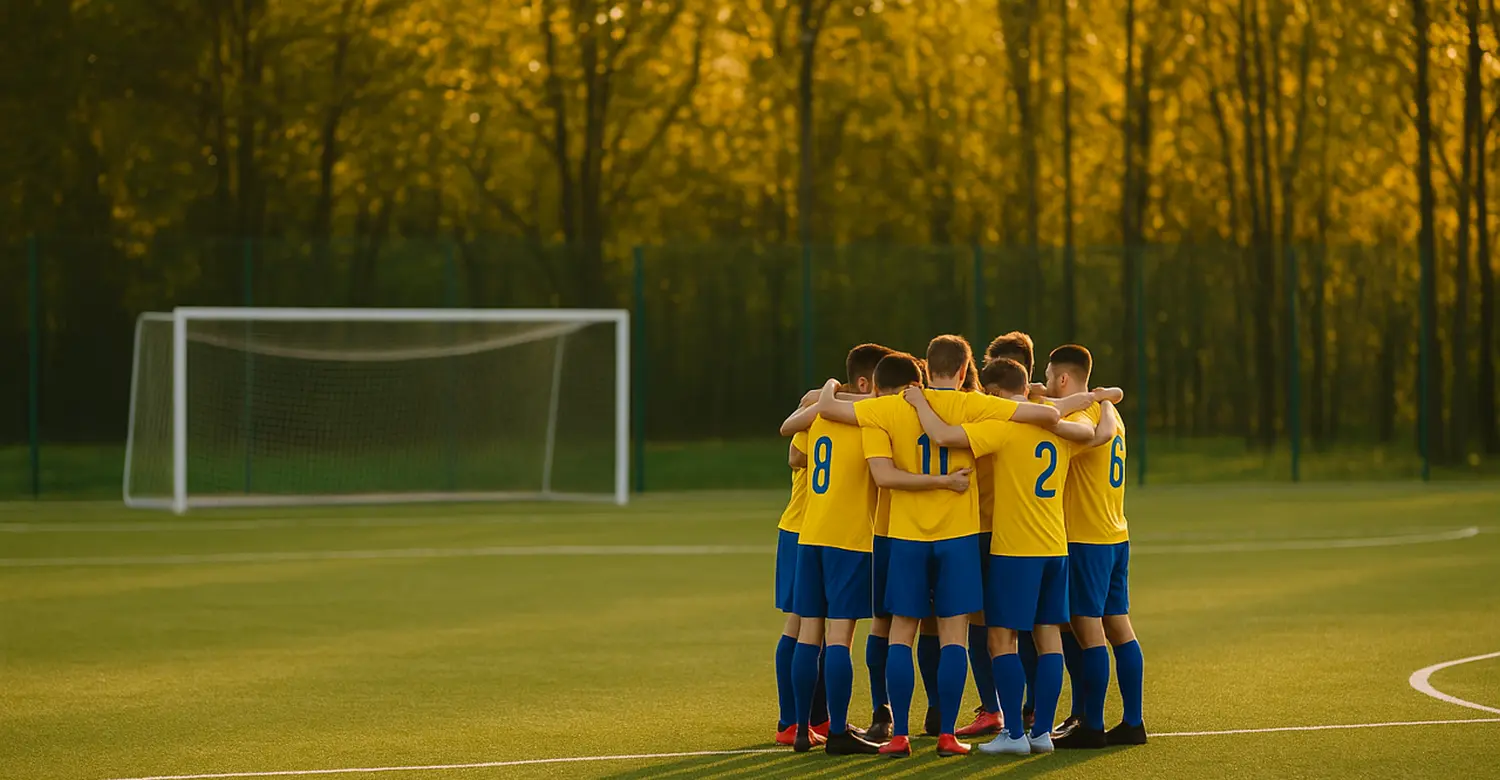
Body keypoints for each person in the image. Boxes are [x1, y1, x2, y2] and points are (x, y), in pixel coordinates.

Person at [818, 341, 1060, 757]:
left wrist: (827, 389)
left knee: (901, 634)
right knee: (954, 637)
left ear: (926, 367)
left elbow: (830, 411)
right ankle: (948, 734)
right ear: (966, 370)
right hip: (958, 538)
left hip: (907, 537)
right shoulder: (973, 406)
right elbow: (1042, 413)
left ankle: (899, 735)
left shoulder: (894, 406)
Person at [902, 357, 1116, 756]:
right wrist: (1105, 400)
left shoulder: (1003, 428)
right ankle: (1043, 734)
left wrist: (918, 403)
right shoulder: (1061, 426)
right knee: (1048, 635)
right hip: (1056, 547)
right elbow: (1100, 434)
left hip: (1016, 550)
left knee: (1001, 638)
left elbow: (944, 436)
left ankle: (1015, 734)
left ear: (998, 394)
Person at [1040, 345, 1147, 749]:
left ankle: (1093, 724)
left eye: (1049, 375)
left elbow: (1048, 411)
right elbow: (1042, 395)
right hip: (1116, 534)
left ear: (1064, 379)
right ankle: (1132, 721)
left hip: (1086, 538)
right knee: (1119, 628)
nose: (1047, 381)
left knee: (1089, 634)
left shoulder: (1080, 416)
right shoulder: (1109, 411)